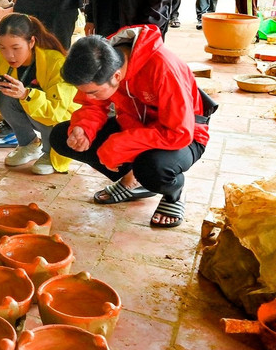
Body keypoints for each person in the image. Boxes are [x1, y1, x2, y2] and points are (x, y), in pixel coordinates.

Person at [49, 26, 211, 227]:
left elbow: (179, 132)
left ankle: (174, 193)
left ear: (116, 76)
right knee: (60, 136)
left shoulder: (163, 67)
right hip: (135, 129)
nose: (89, 96)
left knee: (151, 168)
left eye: (94, 92)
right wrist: (83, 129)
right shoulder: (101, 60)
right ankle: (132, 181)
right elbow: (92, 105)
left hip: (185, 135)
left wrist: (119, 146)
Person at [0, 13, 79, 175]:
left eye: (16, 48)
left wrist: (26, 95)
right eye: (3, 47)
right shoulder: (0, 59)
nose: (9, 55)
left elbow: (57, 111)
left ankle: (51, 151)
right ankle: (29, 144)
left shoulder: (56, 62)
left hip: (60, 119)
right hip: (34, 113)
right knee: (4, 96)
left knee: (25, 97)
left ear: (31, 42)